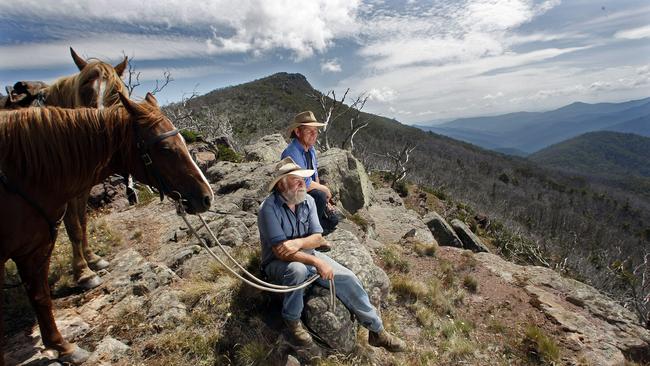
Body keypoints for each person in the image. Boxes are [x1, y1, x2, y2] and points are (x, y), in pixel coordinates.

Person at [257, 157, 406, 352]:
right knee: (297, 270)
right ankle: (292, 321)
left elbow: (318, 238)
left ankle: (377, 331)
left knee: (348, 278)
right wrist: (316, 262)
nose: (303, 184)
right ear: (281, 184)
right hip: (277, 263)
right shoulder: (268, 208)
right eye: (296, 180)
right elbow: (281, 252)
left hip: (309, 254)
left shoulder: (307, 200)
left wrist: (298, 243)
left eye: (303, 179)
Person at [281, 111, 339, 233]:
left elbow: (314, 175)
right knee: (319, 195)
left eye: (315, 131)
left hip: (308, 197)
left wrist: (326, 202)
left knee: (334, 220)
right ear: (297, 132)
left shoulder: (311, 150)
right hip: (295, 198)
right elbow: (303, 183)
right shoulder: (292, 153)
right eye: (309, 131)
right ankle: (309, 232)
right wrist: (325, 190)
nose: (314, 135)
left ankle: (311, 227)